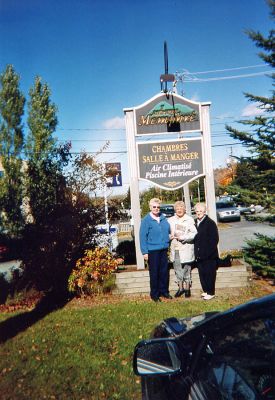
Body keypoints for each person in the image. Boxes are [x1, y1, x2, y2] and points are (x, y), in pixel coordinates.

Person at [139, 198, 172, 302]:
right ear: (150, 207)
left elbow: (167, 230)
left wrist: (169, 236)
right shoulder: (146, 220)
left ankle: (164, 291)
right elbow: (142, 237)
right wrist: (144, 252)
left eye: (158, 207)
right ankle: (154, 294)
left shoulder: (163, 218)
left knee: (164, 272)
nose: (156, 209)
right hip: (153, 250)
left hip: (163, 249)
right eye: (154, 207)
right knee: (154, 273)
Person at [168, 201, 197, 298]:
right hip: (175, 248)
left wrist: (184, 237)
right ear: (175, 210)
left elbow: (194, 233)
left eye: (181, 208)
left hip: (186, 248)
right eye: (177, 209)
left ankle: (187, 289)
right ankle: (180, 289)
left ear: (185, 209)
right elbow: (166, 233)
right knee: (177, 269)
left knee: (186, 269)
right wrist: (169, 236)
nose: (179, 210)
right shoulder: (170, 220)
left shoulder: (189, 220)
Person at [194, 203, 219, 300]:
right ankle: (205, 290)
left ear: (204, 212)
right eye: (197, 211)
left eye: (201, 211)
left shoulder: (210, 223)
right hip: (199, 255)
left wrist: (207, 252)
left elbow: (214, 239)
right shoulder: (195, 222)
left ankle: (211, 292)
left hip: (209, 255)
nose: (199, 213)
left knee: (210, 274)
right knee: (202, 274)